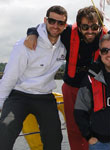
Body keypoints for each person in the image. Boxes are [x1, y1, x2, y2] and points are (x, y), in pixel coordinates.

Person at [24, 1, 110, 149]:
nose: (90, 31)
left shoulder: (108, 38)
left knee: (97, 126)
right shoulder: (68, 32)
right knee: (74, 128)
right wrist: (32, 34)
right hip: (72, 88)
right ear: (79, 26)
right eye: (85, 27)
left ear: (100, 27)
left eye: (94, 27)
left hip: (97, 89)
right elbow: (45, 28)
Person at [0, 5, 67, 150]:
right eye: (52, 21)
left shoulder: (64, 45)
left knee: (54, 138)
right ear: (45, 21)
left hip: (44, 97)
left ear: (65, 25)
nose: (55, 26)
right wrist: (1, 103)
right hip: (19, 95)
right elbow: (10, 76)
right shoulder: (25, 44)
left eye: (60, 23)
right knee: (5, 131)